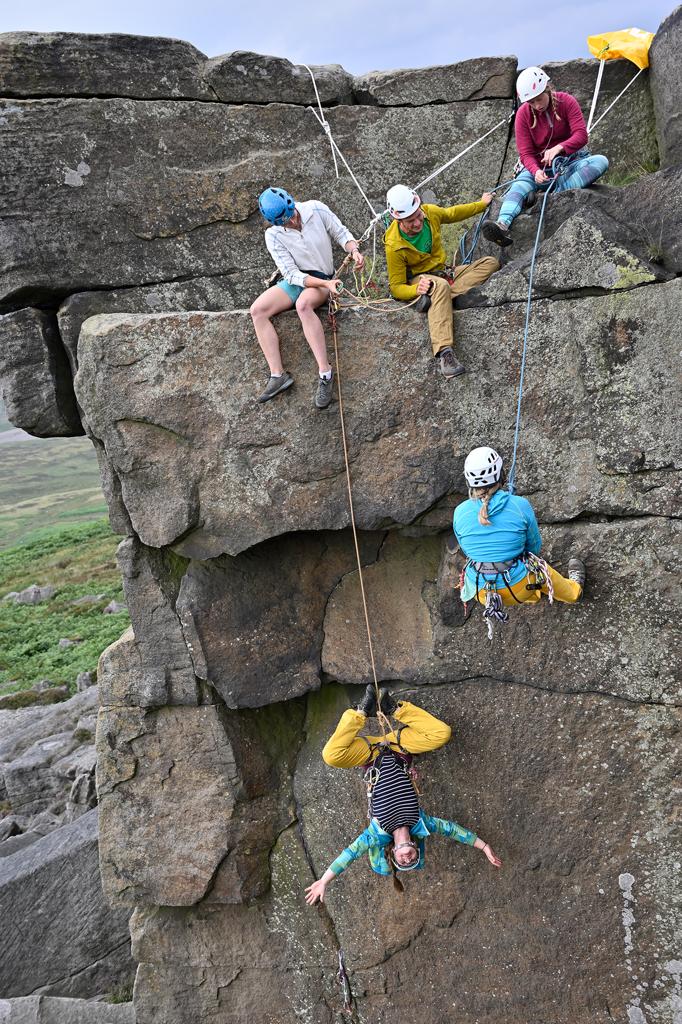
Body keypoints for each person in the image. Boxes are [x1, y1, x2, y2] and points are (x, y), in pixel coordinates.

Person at [304, 686, 501, 903]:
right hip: (399, 748)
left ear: (394, 853)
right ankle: (393, 708)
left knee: (331, 755)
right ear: (416, 849)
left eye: (402, 862)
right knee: (442, 733)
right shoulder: (422, 823)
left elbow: (349, 855)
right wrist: (484, 847)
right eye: (412, 860)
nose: (407, 859)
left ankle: (361, 712)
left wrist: (324, 881)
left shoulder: (376, 833)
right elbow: (453, 830)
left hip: (371, 754)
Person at [250, 187, 364, 408]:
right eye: (285, 222)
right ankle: (277, 375)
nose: (292, 222)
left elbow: (341, 234)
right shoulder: (273, 235)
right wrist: (324, 285)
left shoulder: (315, 209)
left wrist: (354, 251)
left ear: (292, 204)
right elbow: (291, 274)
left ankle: (325, 373)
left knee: (303, 305)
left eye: (291, 215)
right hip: (299, 280)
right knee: (257, 310)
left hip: (323, 278)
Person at [483, 67, 609, 248]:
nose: (537, 105)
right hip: (539, 170)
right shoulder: (523, 114)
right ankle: (502, 225)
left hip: (570, 163)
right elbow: (525, 153)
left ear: (547, 89)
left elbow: (581, 135)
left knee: (600, 162)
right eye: (531, 102)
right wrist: (535, 172)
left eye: (539, 98)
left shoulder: (567, 101)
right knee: (519, 186)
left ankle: (556, 194)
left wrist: (559, 148)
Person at [383, 184, 500, 379]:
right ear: (398, 219)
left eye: (418, 215)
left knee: (490, 263)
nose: (417, 223)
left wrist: (481, 204)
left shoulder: (430, 213)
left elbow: (453, 213)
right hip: (423, 280)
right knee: (440, 286)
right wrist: (415, 290)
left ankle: (445, 300)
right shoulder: (394, 245)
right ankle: (445, 354)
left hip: (445, 273)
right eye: (410, 221)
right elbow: (396, 288)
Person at [453, 445, 586, 608]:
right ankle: (574, 593)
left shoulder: (460, 512)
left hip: (481, 592)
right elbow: (534, 547)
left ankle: (534, 595)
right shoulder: (519, 505)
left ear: (469, 481)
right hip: (520, 588)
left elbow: (467, 550)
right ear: (501, 474)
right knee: (541, 568)